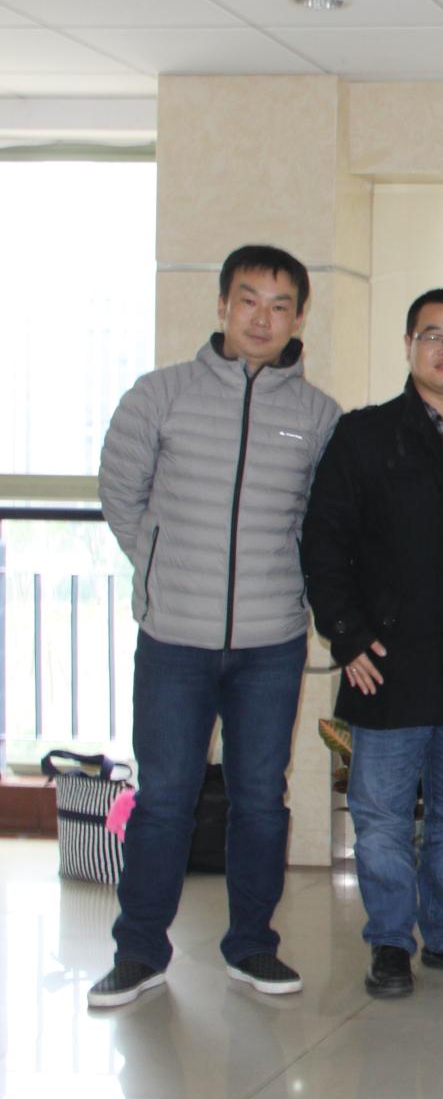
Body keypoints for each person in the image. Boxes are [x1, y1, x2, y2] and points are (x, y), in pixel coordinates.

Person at [90, 245, 342, 1008]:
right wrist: (160, 566)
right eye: (248, 300)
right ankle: (139, 951)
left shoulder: (317, 416)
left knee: (261, 797)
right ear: (223, 306)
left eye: (279, 305)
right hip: (174, 639)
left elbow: (322, 525)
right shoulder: (160, 395)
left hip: (271, 642)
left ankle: (253, 945)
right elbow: (120, 492)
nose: (262, 318)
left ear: (298, 317)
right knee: (165, 798)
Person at [301, 287, 443, 999]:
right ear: (408, 345)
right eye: (433, 335)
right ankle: (391, 941)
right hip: (384, 662)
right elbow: (323, 541)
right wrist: (346, 634)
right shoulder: (364, 435)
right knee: (381, 816)